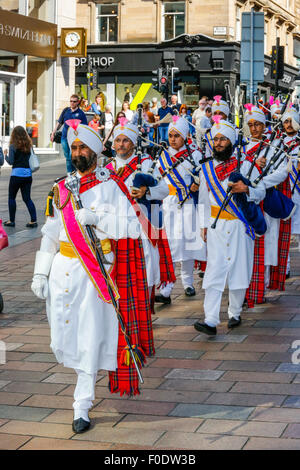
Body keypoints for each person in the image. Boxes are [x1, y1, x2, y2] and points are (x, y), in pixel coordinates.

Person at [31, 121, 154, 434]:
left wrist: (98, 218)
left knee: (87, 340)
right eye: (73, 148)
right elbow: (49, 233)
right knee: (64, 338)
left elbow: (131, 228)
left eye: (83, 147)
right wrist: (40, 272)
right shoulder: (60, 188)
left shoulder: (111, 185)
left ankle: (81, 405)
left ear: (97, 151)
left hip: (95, 276)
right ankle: (82, 388)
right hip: (62, 275)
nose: (77, 153)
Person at [194, 118, 265, 336]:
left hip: (239, 226)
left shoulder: (245, 164)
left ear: (231, 142)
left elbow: (261, 191)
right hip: (216, 226)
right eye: (215, 139)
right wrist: (204, 225)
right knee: (214, 272)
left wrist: (246, 189)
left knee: (239, 269)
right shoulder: (205, 169)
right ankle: (211, 319)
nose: (218, 143)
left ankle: (235, 312)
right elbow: (204, 200)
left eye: (223, 139)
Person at [106, 119, 173, 307]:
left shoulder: (145, 163)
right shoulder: (106, 168)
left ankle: (145, 309)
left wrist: (146, 192)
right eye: (118, 140)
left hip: (143, 224)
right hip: (116, 227)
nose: (121, 144)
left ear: (134, 143)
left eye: (125, 140)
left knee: (146, 267)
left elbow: (164, 190)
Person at [155, 116, 206, 303]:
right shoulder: (162, 156)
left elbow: (203, 176)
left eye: (177, 135)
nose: (173, 139)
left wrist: (195, 185)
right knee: (169, 246)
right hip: (168, 204)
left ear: (185, 136)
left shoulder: (195, 155)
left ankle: (188, 282)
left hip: (188, 206)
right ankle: (166, 288)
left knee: (188, 244)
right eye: (171, 135)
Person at [243, 104, 290, 307]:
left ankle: (261, 287)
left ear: (265, 126)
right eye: (251, 125)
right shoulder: (242, 147)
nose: (254, 129)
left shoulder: (275, 146)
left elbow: (282, 172)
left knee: (265, 245)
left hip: (265, 200)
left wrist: (261, 183)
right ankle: (246, 288)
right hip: (246, 202)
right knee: (246, 247)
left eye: (258, 125)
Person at [3, 126, 37, 228]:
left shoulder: (13, 146)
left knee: (11, 197)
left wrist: (5, 155)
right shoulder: (29, 146)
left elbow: (11, 162)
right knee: (27, 198)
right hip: (27, 175)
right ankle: (33, 221)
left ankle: (11, 221)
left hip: (16, 175)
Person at [50, 94, 87, 174]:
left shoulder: (81, 113)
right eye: (71, 101)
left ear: (78, 102)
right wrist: (53, 133)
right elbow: (59, 122)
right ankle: (70, 173)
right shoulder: (66, 111)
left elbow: (84, 127)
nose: (72, 103)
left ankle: (73, 172)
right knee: (67, 157)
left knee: (72, 156)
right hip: (64, 137)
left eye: (74, 101)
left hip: (75, 139)